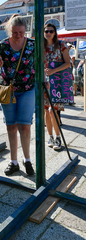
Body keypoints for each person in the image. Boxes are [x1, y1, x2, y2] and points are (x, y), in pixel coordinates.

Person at [0, 15, 35, 176]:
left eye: (21, 32)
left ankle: (27, 159)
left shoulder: (32, 45)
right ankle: (13, 161)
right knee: (11, 126)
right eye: (15, 32)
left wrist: (46, 81)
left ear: (25, 31)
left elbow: (40, 64)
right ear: (10, 31)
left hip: (28, 88)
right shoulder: (3, 46)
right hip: (8, 90)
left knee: (24, 126)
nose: (18, 35)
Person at [44, 23, 71, 151]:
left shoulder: (61, 45)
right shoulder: (41, 47)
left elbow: (68, 63)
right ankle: (50, 137)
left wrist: (53, 71)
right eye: (46, 31)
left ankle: (58, 137)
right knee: (46, 112)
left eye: (51, 31)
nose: (48, 33)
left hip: (57, 82)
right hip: (44, 82)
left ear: (55, 33)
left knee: (52, 111)